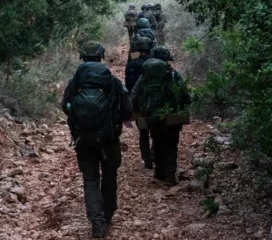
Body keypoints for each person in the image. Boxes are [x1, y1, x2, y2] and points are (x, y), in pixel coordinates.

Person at [61, 41, 133, 238]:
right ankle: (108, 215)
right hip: (109, 138)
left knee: (90, 179)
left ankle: (97, 223)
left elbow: (64, 106)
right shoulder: (111, 80)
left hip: (83, 139)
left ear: (82, 57)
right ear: (101, 56)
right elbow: (127, 110)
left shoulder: (75, 81)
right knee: (110, 176)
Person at [130, 46, 190, 186]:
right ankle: (169, 176)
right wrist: (185, 104)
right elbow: (184, 94)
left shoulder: (145, 76)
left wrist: (131, 112)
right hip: (171, 115)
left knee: (157, 141)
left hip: (152, 115)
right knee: (171, 145)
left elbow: (134, 93)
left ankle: (159, 172)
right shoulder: (173, 74)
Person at [124, 36, 155, 169]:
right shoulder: (155, 63)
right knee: (156, 132)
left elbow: (129, 86)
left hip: (137, 104)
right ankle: (154, 155)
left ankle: (147, 160)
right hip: (154, 104)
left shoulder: (131, 64)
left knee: (143, 133)